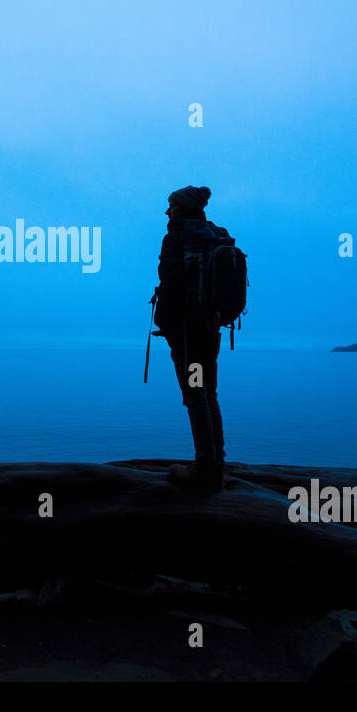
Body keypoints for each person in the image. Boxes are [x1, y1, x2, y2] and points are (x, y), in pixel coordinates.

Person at [153, 185, 227, 492]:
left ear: (183, 208)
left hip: (186, 332)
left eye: (171, 205)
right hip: (212, 327)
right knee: (207, 392)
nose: (167, 211)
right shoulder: (217, 235)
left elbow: (169, 284)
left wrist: (165, 323)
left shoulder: (177, 238)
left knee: (195, 395)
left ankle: (206, 470)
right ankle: (215, 462)